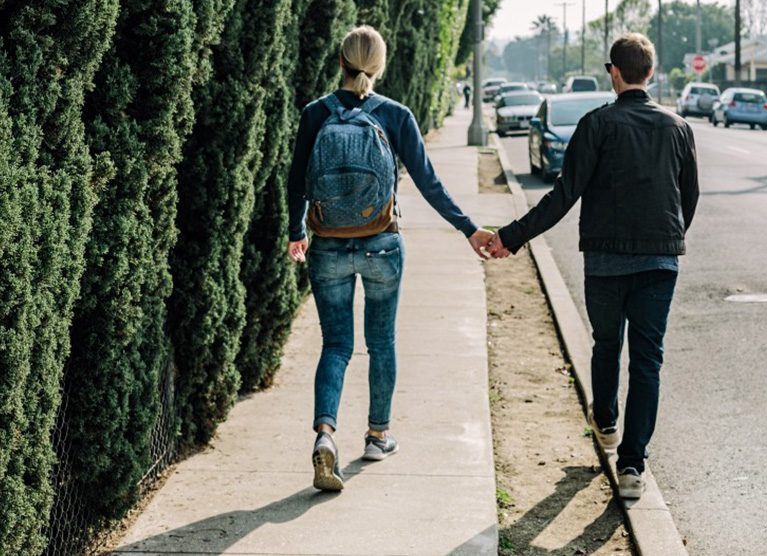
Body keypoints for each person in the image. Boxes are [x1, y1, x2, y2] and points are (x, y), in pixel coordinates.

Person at [487, 33, 699, 500]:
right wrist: (666, 239)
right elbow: (690, 198)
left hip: (605, 261)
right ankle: (632, 468)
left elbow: (564, 196)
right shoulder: (679, 128)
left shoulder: (597, 125)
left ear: (614, 72)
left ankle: (604, 423)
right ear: (650, 71)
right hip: (661, 262)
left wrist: (510, 236)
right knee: (648, 361)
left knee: (607, 345)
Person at [287, 25, 494, 492]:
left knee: (336, 345)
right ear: (379, 66)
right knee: (381, 342)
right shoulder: (396, 115)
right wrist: (468, 228)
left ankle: (325, 435)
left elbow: (296, 181)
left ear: (340, 62)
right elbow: (428, 182)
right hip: (382, 244)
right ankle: (378, 435)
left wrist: (296, 231)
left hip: (329, 247)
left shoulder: (315, 114)